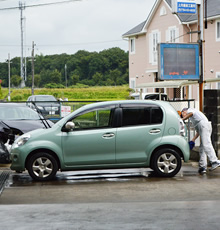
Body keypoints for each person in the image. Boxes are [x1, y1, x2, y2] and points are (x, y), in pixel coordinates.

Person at [181, 108, 220, 174]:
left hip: (204, 125)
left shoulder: (190, 110)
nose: (183, 116)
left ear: (184, 111)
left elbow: (191, 114)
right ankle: (202, 167)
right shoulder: (193, 118)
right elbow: (199, 131)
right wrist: (193, 139)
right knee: (202, 148)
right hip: (204, 126)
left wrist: (182, 119)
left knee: (206, 144)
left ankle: (215, 161)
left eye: (182, 114)